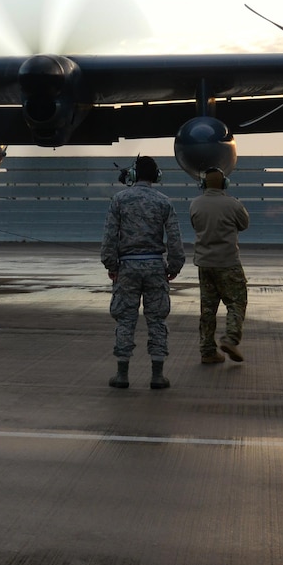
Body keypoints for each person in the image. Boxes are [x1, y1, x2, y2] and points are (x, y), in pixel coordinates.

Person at [99, 155, 185, 389]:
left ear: (133, 175)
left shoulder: (119, 200)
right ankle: (157, 375)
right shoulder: (164, 202)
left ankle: (122, 374)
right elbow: (175, 239)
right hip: (155, 266)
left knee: (125, 319)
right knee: (157, 319)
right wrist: (173, 266)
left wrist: (111, 265)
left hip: (127, 266)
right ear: (156, 176)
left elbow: (109, 237)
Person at [188, 168, 251, 364]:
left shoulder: (195, 204)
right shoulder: (233, 204)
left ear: (203, 184)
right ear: (225, 184)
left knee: (207, 309)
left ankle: (207, 351)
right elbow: (244, 224)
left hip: (204, 263)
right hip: (227, 262)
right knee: (237, 302)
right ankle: (230, 338)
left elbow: (195, 225)